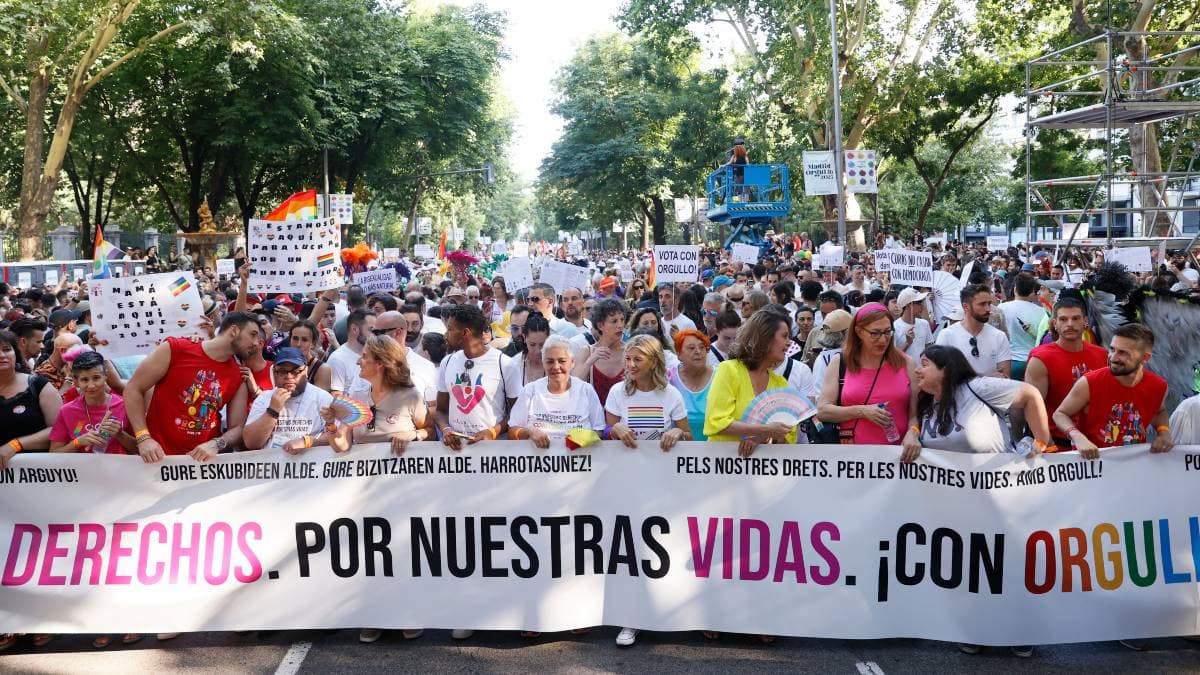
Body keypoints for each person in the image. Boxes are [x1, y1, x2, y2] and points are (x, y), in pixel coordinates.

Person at [606, 333, 691, 649]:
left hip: (661, 484)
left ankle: (664, 611)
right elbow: (604, 433)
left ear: (654, 361)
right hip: (625, 482)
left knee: (660, 549)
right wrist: (613, 428)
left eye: (636, 360)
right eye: (628, 359)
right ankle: (632, 618)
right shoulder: (617, 393)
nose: (629, 365)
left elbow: (687, 434)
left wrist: (675, 434)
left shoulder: (671, 395)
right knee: (630, 550)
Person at [125, 312, 260, 465]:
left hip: (202, 465)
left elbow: (237, 427)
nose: (256, 343)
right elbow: (133, 389)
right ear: (234, 331)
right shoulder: (176, 348)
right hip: (158, 459)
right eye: (253, 335)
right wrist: (143, 437)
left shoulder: (238, 374)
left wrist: (217, 444)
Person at [1052, 323, 1172, 459]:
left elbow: (1160, 411)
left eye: (1123, 353)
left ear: (1145, 358)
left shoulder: (1158, 386)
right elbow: (1060, 414)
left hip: (1134, 465)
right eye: (1112, 349)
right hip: (1093, 465)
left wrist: (1164, 432)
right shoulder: (1089, 382)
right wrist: (1077, 436)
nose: (1113, 357)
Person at [816, 303, 919, 455]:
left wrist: (914, 433)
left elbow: (915, 415)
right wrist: (862, 411)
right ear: (858, 332)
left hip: (897, 459)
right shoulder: (840, 362)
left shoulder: (907, 363)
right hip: (852, 460)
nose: (883, 339)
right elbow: (823, 410)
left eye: (887, 332)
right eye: (875, 333)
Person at [914, 345, 1053, 455]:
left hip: (998, 483)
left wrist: (1041, 442)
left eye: (924, 365)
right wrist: (913, 434)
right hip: (953, 488)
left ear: (945, 371)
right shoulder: (926, 403)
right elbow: (914, 424)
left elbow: (1030, 393)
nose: (917, 370)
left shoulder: (978, 388)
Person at [703, 309, 798, 455]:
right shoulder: (729, 370)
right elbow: (716, 422)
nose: (789, 343)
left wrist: (763, 437)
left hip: (763, 473)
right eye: (784, 336)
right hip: (720, 468)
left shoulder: (781, 384)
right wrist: (765, 430)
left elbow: (788, 437)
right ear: (765, 337)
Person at [1024, 298, 1109, 449]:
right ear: (1055, 324)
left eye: (1075, 318)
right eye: (1063, 319)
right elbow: (1033, 407)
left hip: (1095, 442)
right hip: (1058, 443)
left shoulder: (1101, 354)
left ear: (1085, 321)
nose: (1070, 324)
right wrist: (1049, 445)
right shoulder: (1041, 358)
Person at [509, 335, 605, 447]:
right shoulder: (530, 390)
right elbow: (512, 433)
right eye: (550, 362)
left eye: (562, 361)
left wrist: (582, 439)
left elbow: (599, 431)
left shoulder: (586, 390)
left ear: (572, 362)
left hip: (577, 460)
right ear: (543, 362)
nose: (556, 367)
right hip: (539, 461)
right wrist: (529, 431)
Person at [244, 348, 334, 451]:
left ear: (306, 371)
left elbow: (338, 436)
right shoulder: (264, 398)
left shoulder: (322, 398)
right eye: (282, 371)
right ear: (274, 373)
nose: (289, 376)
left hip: (309, 464)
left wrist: (307, 442)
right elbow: (250, 443)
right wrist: (272, 411)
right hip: (272, 464)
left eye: (296, 371)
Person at [0, 329, 66, 469]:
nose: (2, 355)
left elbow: (59, 430)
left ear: (16, 354)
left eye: (6, 349)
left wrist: (15, 445)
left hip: (37, 476)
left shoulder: (39, 385)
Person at [48, 349, 132, 455]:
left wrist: (121, 435)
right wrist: (78, 442)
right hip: (83, 470)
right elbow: (54, 454)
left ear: (105, 376)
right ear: (76, 381)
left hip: (121, 469)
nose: (91, 386)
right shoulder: (67, 411)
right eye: (84, 380)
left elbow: (141, 448)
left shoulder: (125, 405)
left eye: (96, 378)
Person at [935, 284, 1011, 377]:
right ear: (966, 307)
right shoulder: (947, 335)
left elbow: (1005, 377)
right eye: (982, 304)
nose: (988, 309)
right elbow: (939, 374)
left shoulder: (999, 336)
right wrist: (985, 376)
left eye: (989, 304)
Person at [998, 273, 1049, 380]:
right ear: (1032, 291)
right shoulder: (1042, 312)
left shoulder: (1001, 308)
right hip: (1034, 361)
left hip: (1011, 361)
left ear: (1015, 289)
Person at [669, 329, 715, 441]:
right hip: (678, 451)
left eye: (702, 347)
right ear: (679, 354)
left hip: (715, 450)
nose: (698, 352)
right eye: (691, 348)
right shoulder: (668, 378)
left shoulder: (720, 376)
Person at [321, 308, 376, 394]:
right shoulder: (337, 359)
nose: (376, 335)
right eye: (371, 330)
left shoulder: (375, 353)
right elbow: (336, 398)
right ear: (354, 329)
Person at [510, 313, 550, 388]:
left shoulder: (556, 364)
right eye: (532, 344)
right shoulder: (514, 364)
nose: (538, 351)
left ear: (548, 338)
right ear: (524, 338)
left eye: (542, 345)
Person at [288, 320, 333, 386]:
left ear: (313, 344)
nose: (298, 344)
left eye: (304, 340)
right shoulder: (282, 365)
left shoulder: (323, 369)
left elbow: (318, 396)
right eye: (295, 338)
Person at [893, 287, 933, 361]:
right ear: (908, 305)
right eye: (919, 302)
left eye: (922, 302)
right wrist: (907, 343)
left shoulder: (924, 324)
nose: (923, 306)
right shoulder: (894, 327)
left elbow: (929, 348)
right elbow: (893, 358)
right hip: (904, 371)